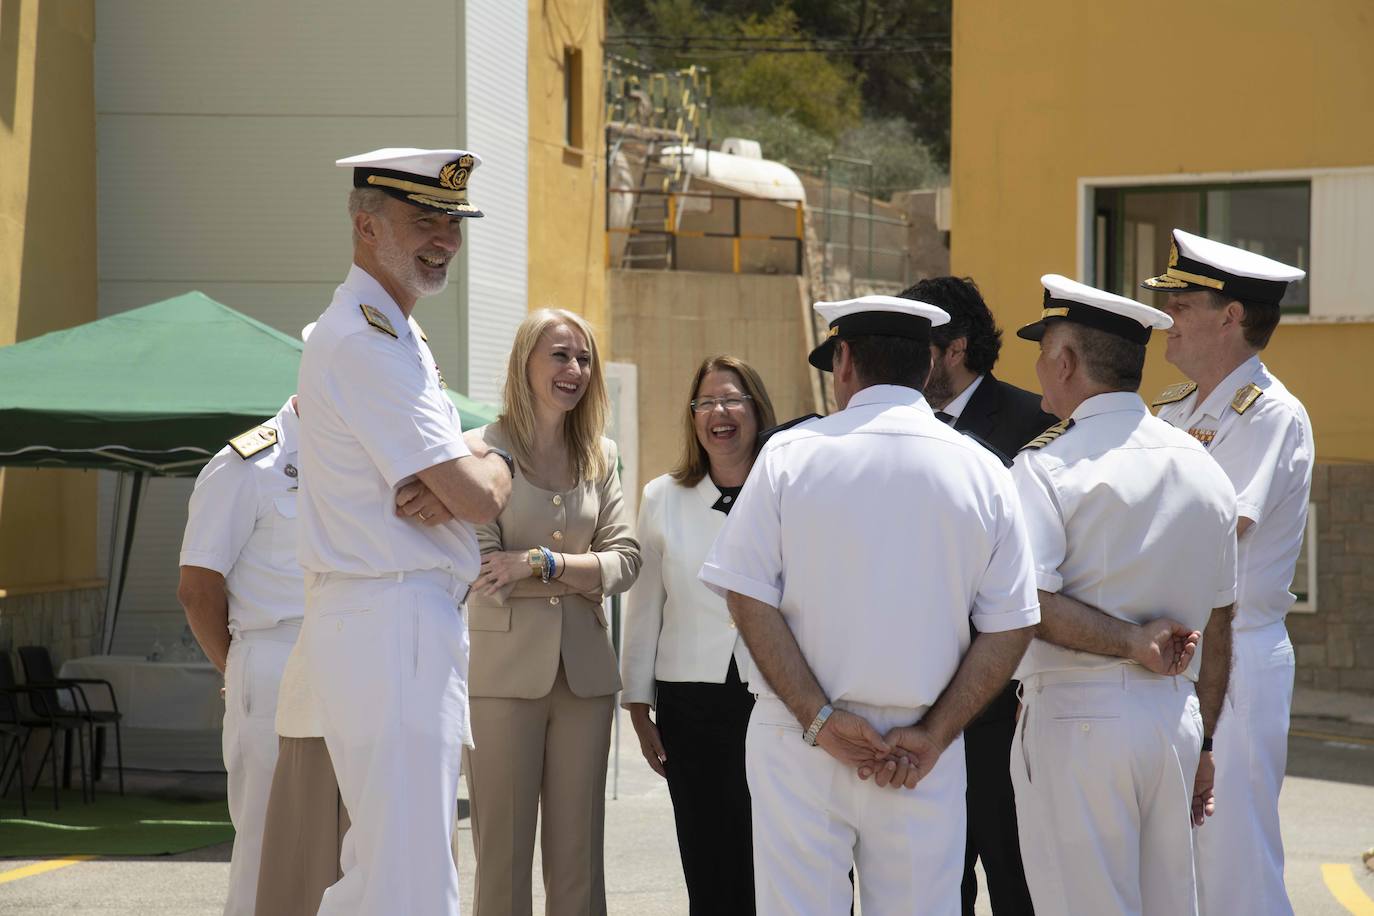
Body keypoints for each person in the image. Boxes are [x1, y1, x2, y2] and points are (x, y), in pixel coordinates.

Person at [699, 294, 1041, 915]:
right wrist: (934, 736)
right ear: (928, 365)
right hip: (918, 753)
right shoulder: (985, 470)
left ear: (846, 359)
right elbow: (1010, 626)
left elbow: (748, 595)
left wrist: (820, 719)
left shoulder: (789, 455)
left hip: (799, 741)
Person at [296, 147, 514, 916]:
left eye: (452, 223)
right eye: (424, 220)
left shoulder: (394, 335)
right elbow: (477, 496)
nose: (445, 240)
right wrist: (483, 473)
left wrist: (485, 469)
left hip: (395, 614)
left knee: (397, 861)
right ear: (366, 227)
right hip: (389, 613)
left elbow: (478, 481)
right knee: (408, 868)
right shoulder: (367, 342)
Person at [1008, 274, 1238, 915]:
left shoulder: (1047, 464)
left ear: (1066, 361)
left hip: (1078, 717)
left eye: (1042, 354)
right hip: (1173, 719)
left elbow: (1028, 604)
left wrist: (1130, 643)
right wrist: (1207, 743)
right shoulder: (1203, 466)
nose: (1038, 371)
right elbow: (1220, 623)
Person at [1142, 229, 1312, 916]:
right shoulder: (1173, 410)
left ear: (1232, 316)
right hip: (1175, 653)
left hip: (1235, 654)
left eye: (1183, 303)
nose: (1168, 319)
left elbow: (1219, 526)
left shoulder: (1270, 414)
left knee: (1232, 863)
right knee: (1172, 866)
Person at [462, 308, 640, 916]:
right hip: (502, 678)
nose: (575, 370)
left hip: (586, 679)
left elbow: (627, 561)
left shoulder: (602, 455)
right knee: (502, 858)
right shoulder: (478, 450)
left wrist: (539, 564)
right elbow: (484, 570)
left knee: (579, 860)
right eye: (560, 355)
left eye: (584, 358)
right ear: (525, 362)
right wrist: (583, 573)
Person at [900, 275, 1053, 916]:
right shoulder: (895, 425)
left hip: (1004, 702)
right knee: (937, 880)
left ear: (954, 348)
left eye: (916, 344)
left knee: (1017, 876)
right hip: (917, 695)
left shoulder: (1032, 423)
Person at [620, 355, 778, 914]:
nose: (720, 412)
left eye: (732, 399)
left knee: (781, 855)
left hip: (778, 695)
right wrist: (638, 706)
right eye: (706, 402)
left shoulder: (790, 488)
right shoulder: (662, 496)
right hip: (692, 703)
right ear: (693, 418)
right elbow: (645, 607)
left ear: (757, 410)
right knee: (709, 859)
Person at [178, 396, 303, 916]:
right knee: (267, 839)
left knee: (350, 845)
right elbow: (198, 587)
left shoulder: (363, 456)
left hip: (354, 658)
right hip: (274, 656)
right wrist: (237, 666)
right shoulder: (247, 464)